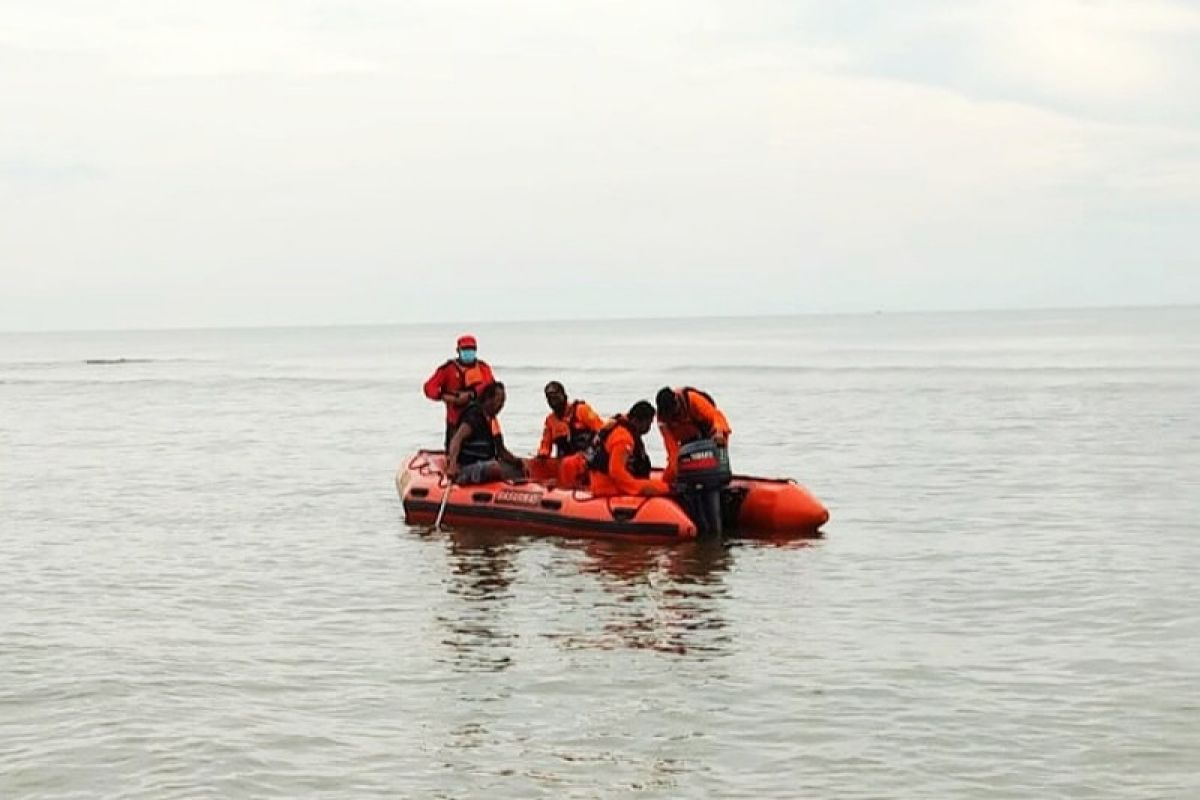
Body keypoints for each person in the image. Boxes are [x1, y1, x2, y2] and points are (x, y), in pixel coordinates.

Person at [423, 334, 496, 449]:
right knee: (453, 448)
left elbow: (492, 388)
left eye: (471, 349)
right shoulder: (448, 369)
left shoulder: (483, 369)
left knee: (488, 451)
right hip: (455, 420)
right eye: (465, 349)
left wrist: (472, 394)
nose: (468, 352)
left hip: (481, 420)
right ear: (458, 350)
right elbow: (429, 388)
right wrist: (447, 397)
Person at [446, 382, 526, 485]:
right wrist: (452, 465)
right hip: (469, 465)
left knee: (517, 470)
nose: (501, 406)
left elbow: (501, 451)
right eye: (499, 401)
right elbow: (457, 439)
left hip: (486, 462)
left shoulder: (492, 421)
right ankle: (464, 479)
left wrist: (518, 462)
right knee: (494, 467)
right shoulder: (475, 416)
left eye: (503, 402)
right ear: (488, 399)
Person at [586, 401, 670, 497]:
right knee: (665, 488)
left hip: (600, 481)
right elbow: (616, 471)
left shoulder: (619, 424)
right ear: (637, 421)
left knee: (657, 485)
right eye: (648, 424)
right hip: (607, 487)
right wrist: (637, 488)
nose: (649, 428)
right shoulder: (624, 439)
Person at [655, 386, 732, 485]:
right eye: (668, 413)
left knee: (720, 442)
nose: (672, 415)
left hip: (710, 435)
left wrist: (719, 431)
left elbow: (715, 416)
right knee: (670, 475)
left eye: (673, 411)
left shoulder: (692, 400)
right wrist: (676, 470)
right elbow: (671, 447)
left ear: (676, 401)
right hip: (687, 443)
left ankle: (722, 477)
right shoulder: (663, 420)